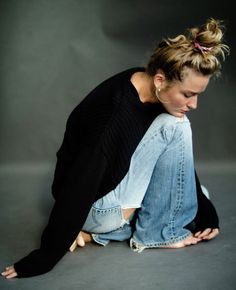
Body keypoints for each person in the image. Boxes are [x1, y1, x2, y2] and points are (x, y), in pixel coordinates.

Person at [2, 17, 229, 279]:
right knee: (176, 127)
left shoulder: (148, 85)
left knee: (197, 193)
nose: (194, 104)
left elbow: (175, 162)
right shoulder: (114, 116)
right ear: (159, 79)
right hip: (94, 206)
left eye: (198, 95)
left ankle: (98, 234)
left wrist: (206, 214)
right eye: (188, 94)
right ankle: (158, 232)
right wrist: (45, 255)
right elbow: (80, 184)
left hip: (111, 191)